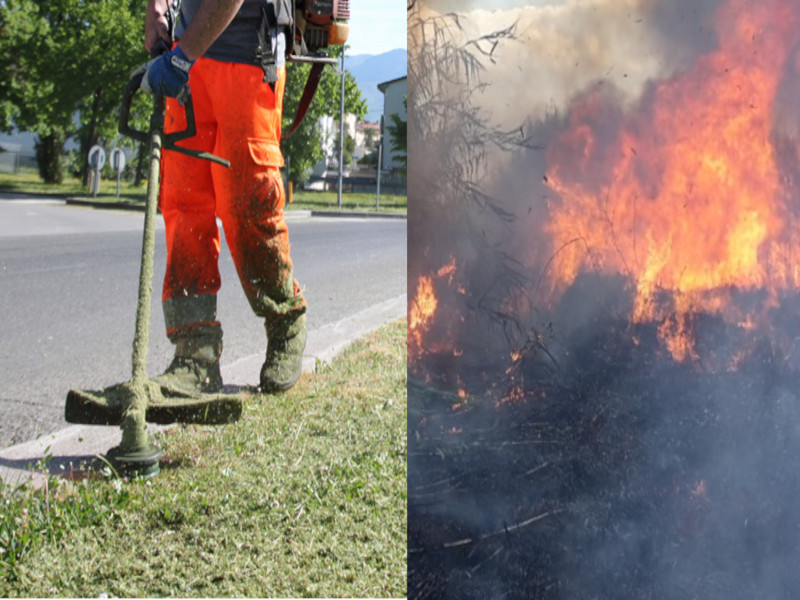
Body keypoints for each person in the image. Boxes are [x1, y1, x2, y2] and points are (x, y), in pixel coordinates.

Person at [143, 0, 307, 394]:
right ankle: (194, 352)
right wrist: (156, 8)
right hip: (189, 59)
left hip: (250, 56)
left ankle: (286, 320)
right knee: (184, 206)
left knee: (248, 206)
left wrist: (182, 58)